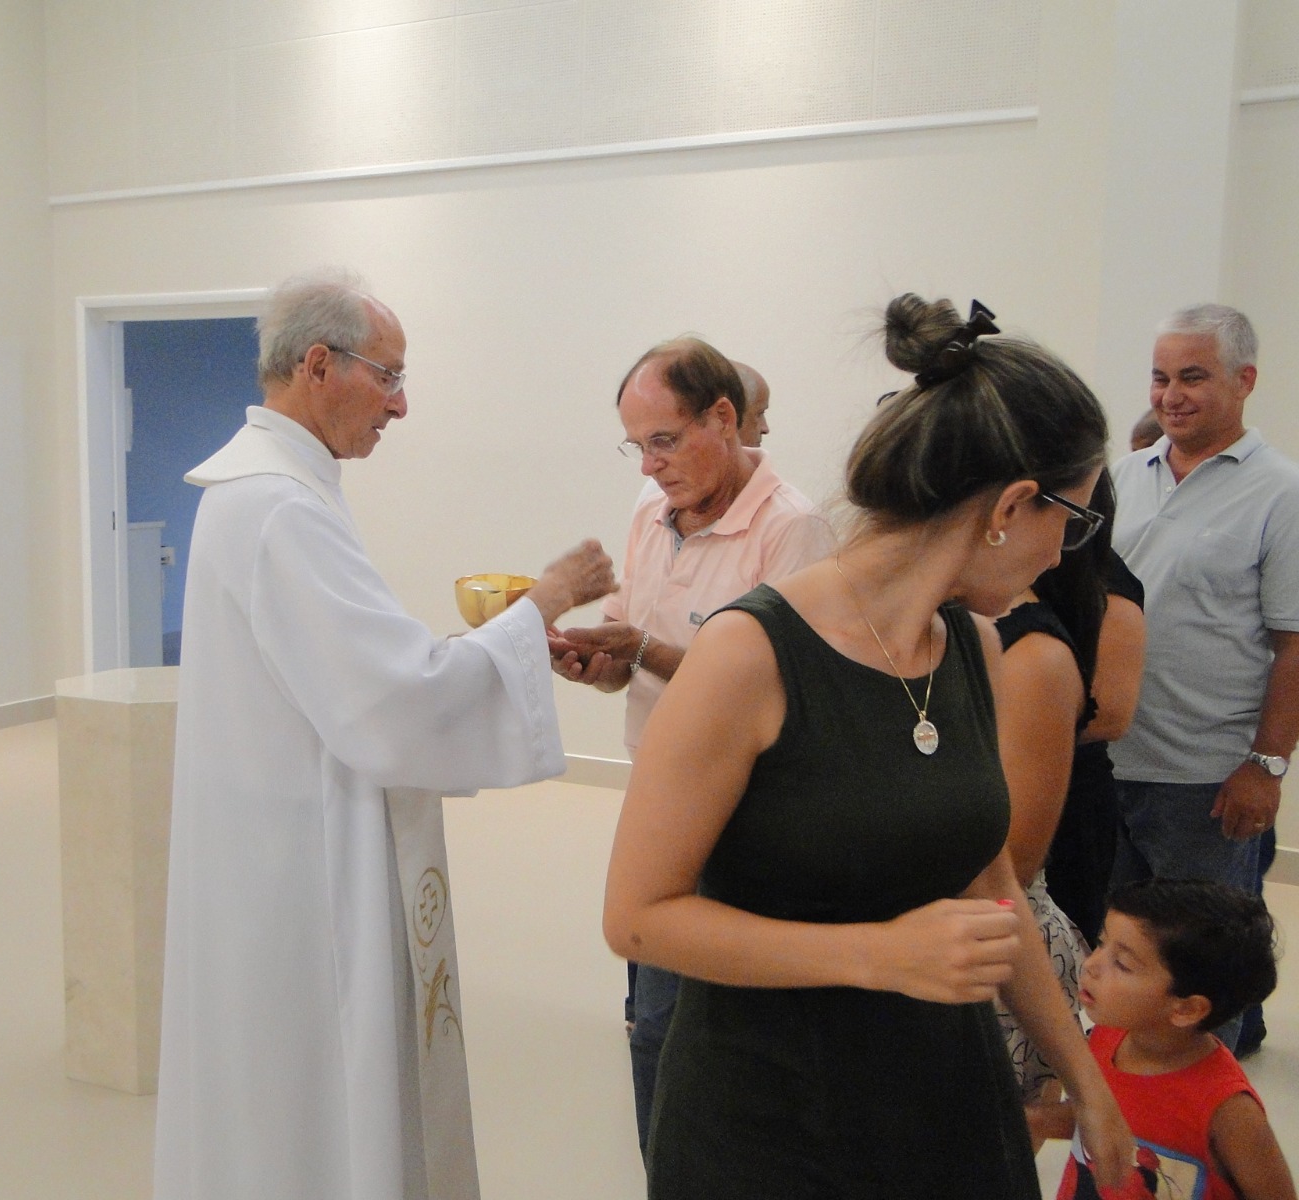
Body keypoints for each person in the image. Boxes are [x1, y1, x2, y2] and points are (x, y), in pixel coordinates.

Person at [602, 294, 1133, 1198]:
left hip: (939, 1095)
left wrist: (1084, 1078)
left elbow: (990, 882)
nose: (1062, 557)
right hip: (771, 1114)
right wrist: (876, 954)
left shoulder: (975, 648)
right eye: (1073, 524)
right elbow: (639, 918)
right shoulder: (750, 654)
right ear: (1011, 506)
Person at [153, 268, 616, 1200]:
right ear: (319, 365)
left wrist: (491, 644)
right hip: (305, 868)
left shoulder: (264, 489)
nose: (400, 406)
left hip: (267, 845)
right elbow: (392, 704)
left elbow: (359, 675)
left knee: (272, 1103)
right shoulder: (279, 506)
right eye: (389, 377)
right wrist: (545, 599)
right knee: (313, 1098)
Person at [548, 337, 829, 1154]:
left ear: (725, 418)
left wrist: (642, 650)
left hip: (746, 817)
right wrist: (600, 664)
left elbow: (777, 693)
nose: (649, 466)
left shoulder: (793, 529)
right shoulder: (652, 509)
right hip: (656, 796)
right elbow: (633, 656)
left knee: (698, 1036)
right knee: (652, 1030)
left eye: (665, 441)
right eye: (637, 446)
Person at [1109, 303, 1299, 1055]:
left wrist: (1266, 765)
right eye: (1160, 378)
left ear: (1244, 381)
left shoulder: (1281, 492)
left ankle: (1209, 1087)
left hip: (1206, 776)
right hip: (1109, 757)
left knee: (1203, 958)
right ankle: (1136, 1078)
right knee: (1125, 950)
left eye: (1192, 377)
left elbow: (1294, 645)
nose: (1171, 395)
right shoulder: (1125, 476)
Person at [993, 468, 1145, 1105]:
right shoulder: (980, 598)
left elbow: (1110, 713)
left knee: (1049, 971)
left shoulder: (1103, 590)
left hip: (1071, 796)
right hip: (1015, 789)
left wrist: (1026, 725)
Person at [1031, 880, 1293, 1200]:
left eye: (1122, 964)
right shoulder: (1106, 1037)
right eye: (1101, 943)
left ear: (1187, 1009)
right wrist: (1032, 1120)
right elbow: (1101, 1118)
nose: (1092, 965)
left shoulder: (1229, 1109)